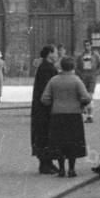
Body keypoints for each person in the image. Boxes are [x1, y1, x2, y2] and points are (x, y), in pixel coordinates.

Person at [41, 57, 90, 178]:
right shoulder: (76, 80)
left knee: (59, 142)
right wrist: (80, 103)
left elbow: (44, 99)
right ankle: (72, 169)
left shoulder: (54, 80)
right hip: (74, 115)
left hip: (57, 115)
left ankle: (61, 169)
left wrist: (54, 103)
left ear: (61, 67)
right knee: (72, 142)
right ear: (72, 67)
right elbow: (86, 97)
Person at [31, 45, 59, 174]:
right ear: (50, 54)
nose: (57, 54)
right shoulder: (47, 68)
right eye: (56, 52)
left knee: (45, 134)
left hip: (42, 107)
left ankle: (48, 162)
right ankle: (45, 164)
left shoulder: (45, 67)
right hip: (45, 108)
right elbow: (48, 90)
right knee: (44, 134)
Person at [77, 40, 100, 123]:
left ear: (91, 46)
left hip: (92, 77)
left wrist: (95, 74)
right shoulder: (81, 56)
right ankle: (84, 112)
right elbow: (76, 67)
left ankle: (90, 116)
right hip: (83, 77)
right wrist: (80, 74)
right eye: (85, 45)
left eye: (88, 45)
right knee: (83, 95)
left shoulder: (95, 55)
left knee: (90, 96)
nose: (86, 47)